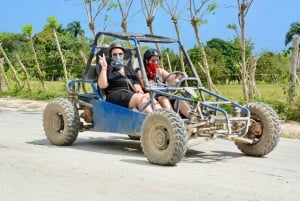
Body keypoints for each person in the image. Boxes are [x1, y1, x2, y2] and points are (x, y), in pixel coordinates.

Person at [97, 43, 161, 114]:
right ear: (111, 56)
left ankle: (164, 117)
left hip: (130, 94)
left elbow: (136, 84)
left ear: (123, 55)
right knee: (140, 98)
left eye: (120, 54)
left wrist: (140, 91)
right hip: (116, 95)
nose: (118, 56)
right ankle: (155, 120)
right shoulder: (108, 68)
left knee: (149, 96)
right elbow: (102, 85)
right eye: (114, 55)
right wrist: (104, 67)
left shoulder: (128, 68)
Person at [136, 48, 191, 117]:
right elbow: (145, 86)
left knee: (179, 100)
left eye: (157, 60)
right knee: (163, 99)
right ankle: (173, 120)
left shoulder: (159, 71)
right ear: (147, 61)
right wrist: (161, 87)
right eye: (153, 60)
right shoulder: (141, 72)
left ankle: (194, 118)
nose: (155, 63)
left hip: (165, 94)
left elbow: (170, 78)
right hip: (151, 98)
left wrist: (179, 75)